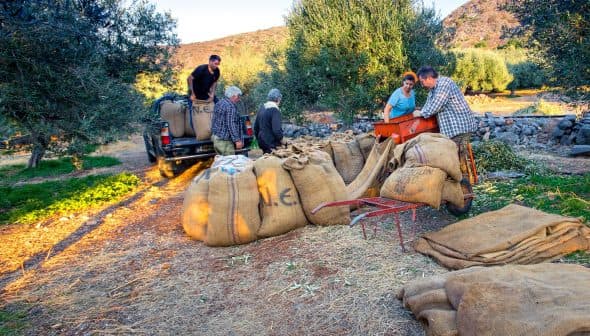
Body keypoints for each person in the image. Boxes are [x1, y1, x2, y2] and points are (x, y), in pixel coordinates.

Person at [413, 66, 478, 182]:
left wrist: (420, 113)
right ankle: (460, 182)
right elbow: (428, 105)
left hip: (460, 127)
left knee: (456, 156)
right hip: (451, 130)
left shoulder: (444, 84)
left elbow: (436, 105)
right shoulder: (433, 90)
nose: (422, 85)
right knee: (452, 155)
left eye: (422, 82)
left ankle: (464, 185)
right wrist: (421, 112)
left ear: (428, 78)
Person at [211, 86, 244, 155]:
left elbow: (214, 120)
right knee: (229, 162)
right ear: (233, 96)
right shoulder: (230, 107)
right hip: (224, 141)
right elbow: (231, 124)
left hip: (216, 138)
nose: (238, 99)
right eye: (238, 96)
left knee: (222, 161)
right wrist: (237, 140)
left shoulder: (220, 103)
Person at [254, 88, 285, 154]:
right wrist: (283, 141)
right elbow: (276, 130)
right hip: (271, 143)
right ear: (278, 99)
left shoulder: (262, 108)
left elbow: (256, 127)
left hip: (262, 142)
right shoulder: (274, 110)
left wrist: (259, 139)